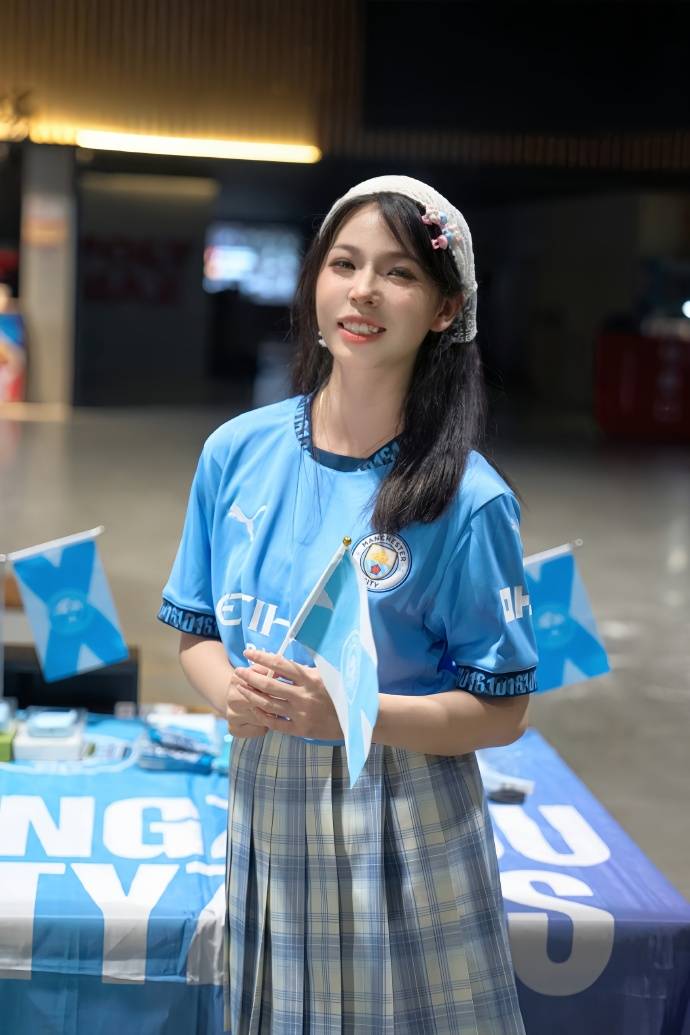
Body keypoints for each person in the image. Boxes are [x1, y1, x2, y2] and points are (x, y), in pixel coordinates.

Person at [158, 174, 539, 1034]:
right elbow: (198, 632)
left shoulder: (470, 501)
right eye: (344, 263)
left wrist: (354, 715)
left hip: (405, 819)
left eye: (398, 273)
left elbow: (503, 708)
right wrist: (230, 692)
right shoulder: (235, 453)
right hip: (267, 798)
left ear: (445, 309)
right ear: (315, 282)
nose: (363, 290)